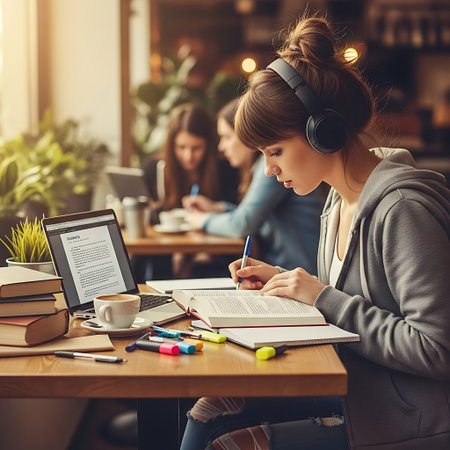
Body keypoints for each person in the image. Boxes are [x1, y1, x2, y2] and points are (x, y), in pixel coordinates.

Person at [180, 16, 450, 450]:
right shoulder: (337, 200)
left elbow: (438, 349)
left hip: (403, 422)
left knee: (219, 441)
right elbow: (355, 301)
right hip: (356, 393)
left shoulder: (402, 210)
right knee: (209, 408)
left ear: (322, 132)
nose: (268, 169)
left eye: (275, 152)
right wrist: (285, 281)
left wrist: (322, 296)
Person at [182, 98, 325, 273]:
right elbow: (254, 218)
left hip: (300, 273)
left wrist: (201, 220)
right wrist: (219, 208)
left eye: (227, 137)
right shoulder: (266, 166)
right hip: (285, 272)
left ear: (246, 135)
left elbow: (242, 224)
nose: (221, 147)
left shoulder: (276, 170)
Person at [137, 104, 239, 280]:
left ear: (209, 145)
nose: (188, 156)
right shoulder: (153, 169)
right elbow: (145, 215)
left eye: (196, 148)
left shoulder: (225, 169)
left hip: (211, 257)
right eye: (181, 147)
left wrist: (194, 253)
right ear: (171, 145)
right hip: (163, 255)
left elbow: (234, 213)